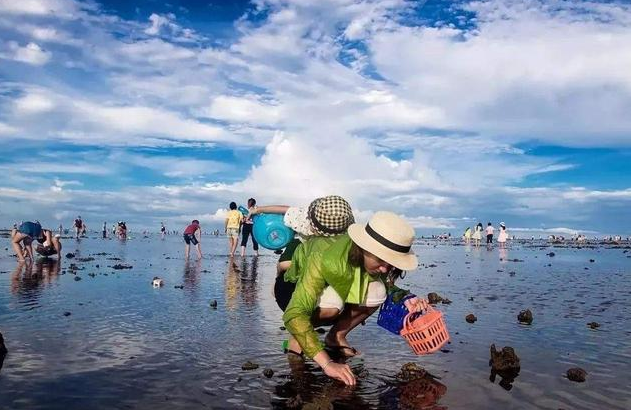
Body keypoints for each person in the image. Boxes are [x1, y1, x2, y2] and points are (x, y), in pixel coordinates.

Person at [282, 211, 425, 386]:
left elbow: (383, 284)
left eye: (391, 263)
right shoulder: (322, 256)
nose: (385, 269)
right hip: (291, 288)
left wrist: (405, 297)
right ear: (364, 247)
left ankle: (335, 337)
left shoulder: (367, 258)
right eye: (381, 260)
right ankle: (297, 338)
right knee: (332, 306)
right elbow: (294, 313)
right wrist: (327, 363)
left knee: (378, 291)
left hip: (332, 282)